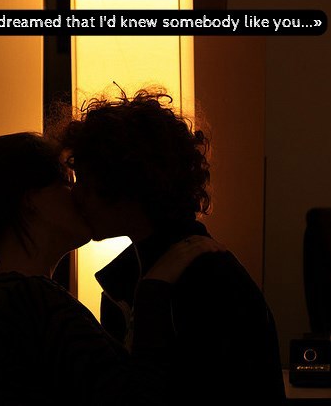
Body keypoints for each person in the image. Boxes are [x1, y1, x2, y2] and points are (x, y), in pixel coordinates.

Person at [0, 131, 225, 405]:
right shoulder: (28, 299)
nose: (79, 196)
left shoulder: (8, 297)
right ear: (32, 200)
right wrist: (155, 289)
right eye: (67, 182)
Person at [51, 87, 287, 405]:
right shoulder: (132, 276)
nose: (76, 196)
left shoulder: (209, 279)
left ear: (127, 184)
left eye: (86, 182)